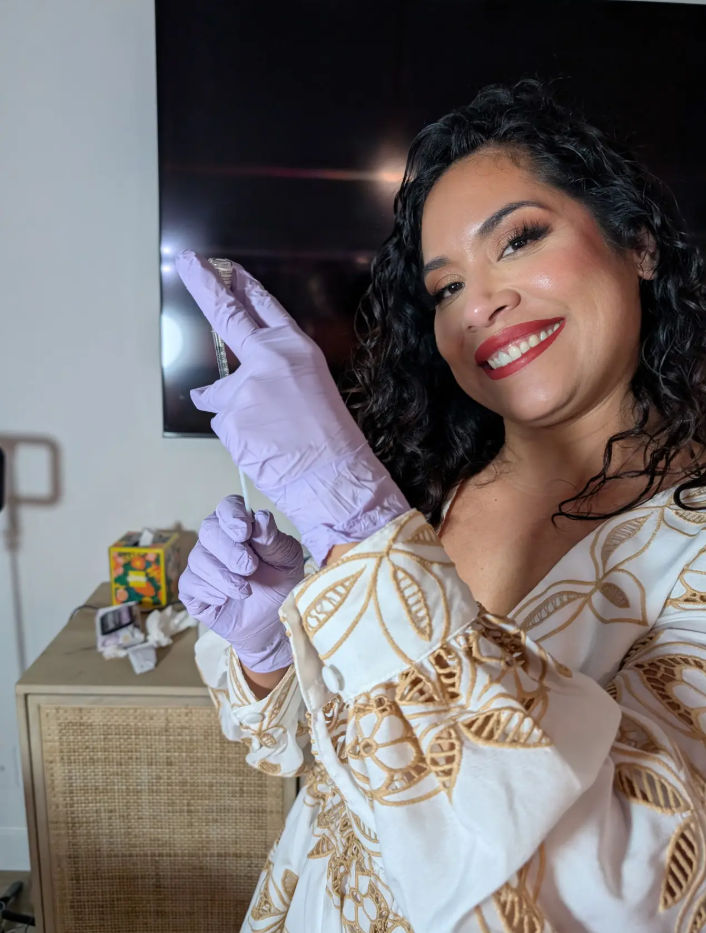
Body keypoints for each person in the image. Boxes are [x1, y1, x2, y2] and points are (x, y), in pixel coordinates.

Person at [176, 79, 706, 932]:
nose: (481, 304)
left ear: (638, 242)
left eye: (520, 239)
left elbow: (637, 884)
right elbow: (324, 756)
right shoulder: (428, 487)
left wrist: (361, 533)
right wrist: (271, 649)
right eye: (445, 289)